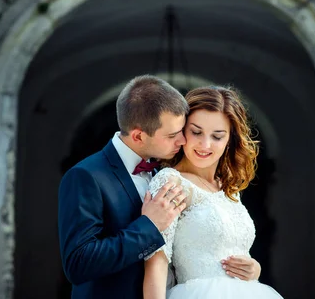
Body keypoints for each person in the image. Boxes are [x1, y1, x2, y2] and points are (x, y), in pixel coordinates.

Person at [58, 75, 262, 298]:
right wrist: (149, 226)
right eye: (175, 135)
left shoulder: (167, 173)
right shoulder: (86, 176)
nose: (183, 141)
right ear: (138, 135)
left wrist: (252, 269)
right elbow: (78, 264)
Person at [143, 86, 283, 298]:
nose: (205, 144)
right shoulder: (171, 182)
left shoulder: (228, 188)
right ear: (182, 131)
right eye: (196, 132)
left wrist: (254, 269)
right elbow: (156, 265)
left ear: (229, 140)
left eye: (217, 136)